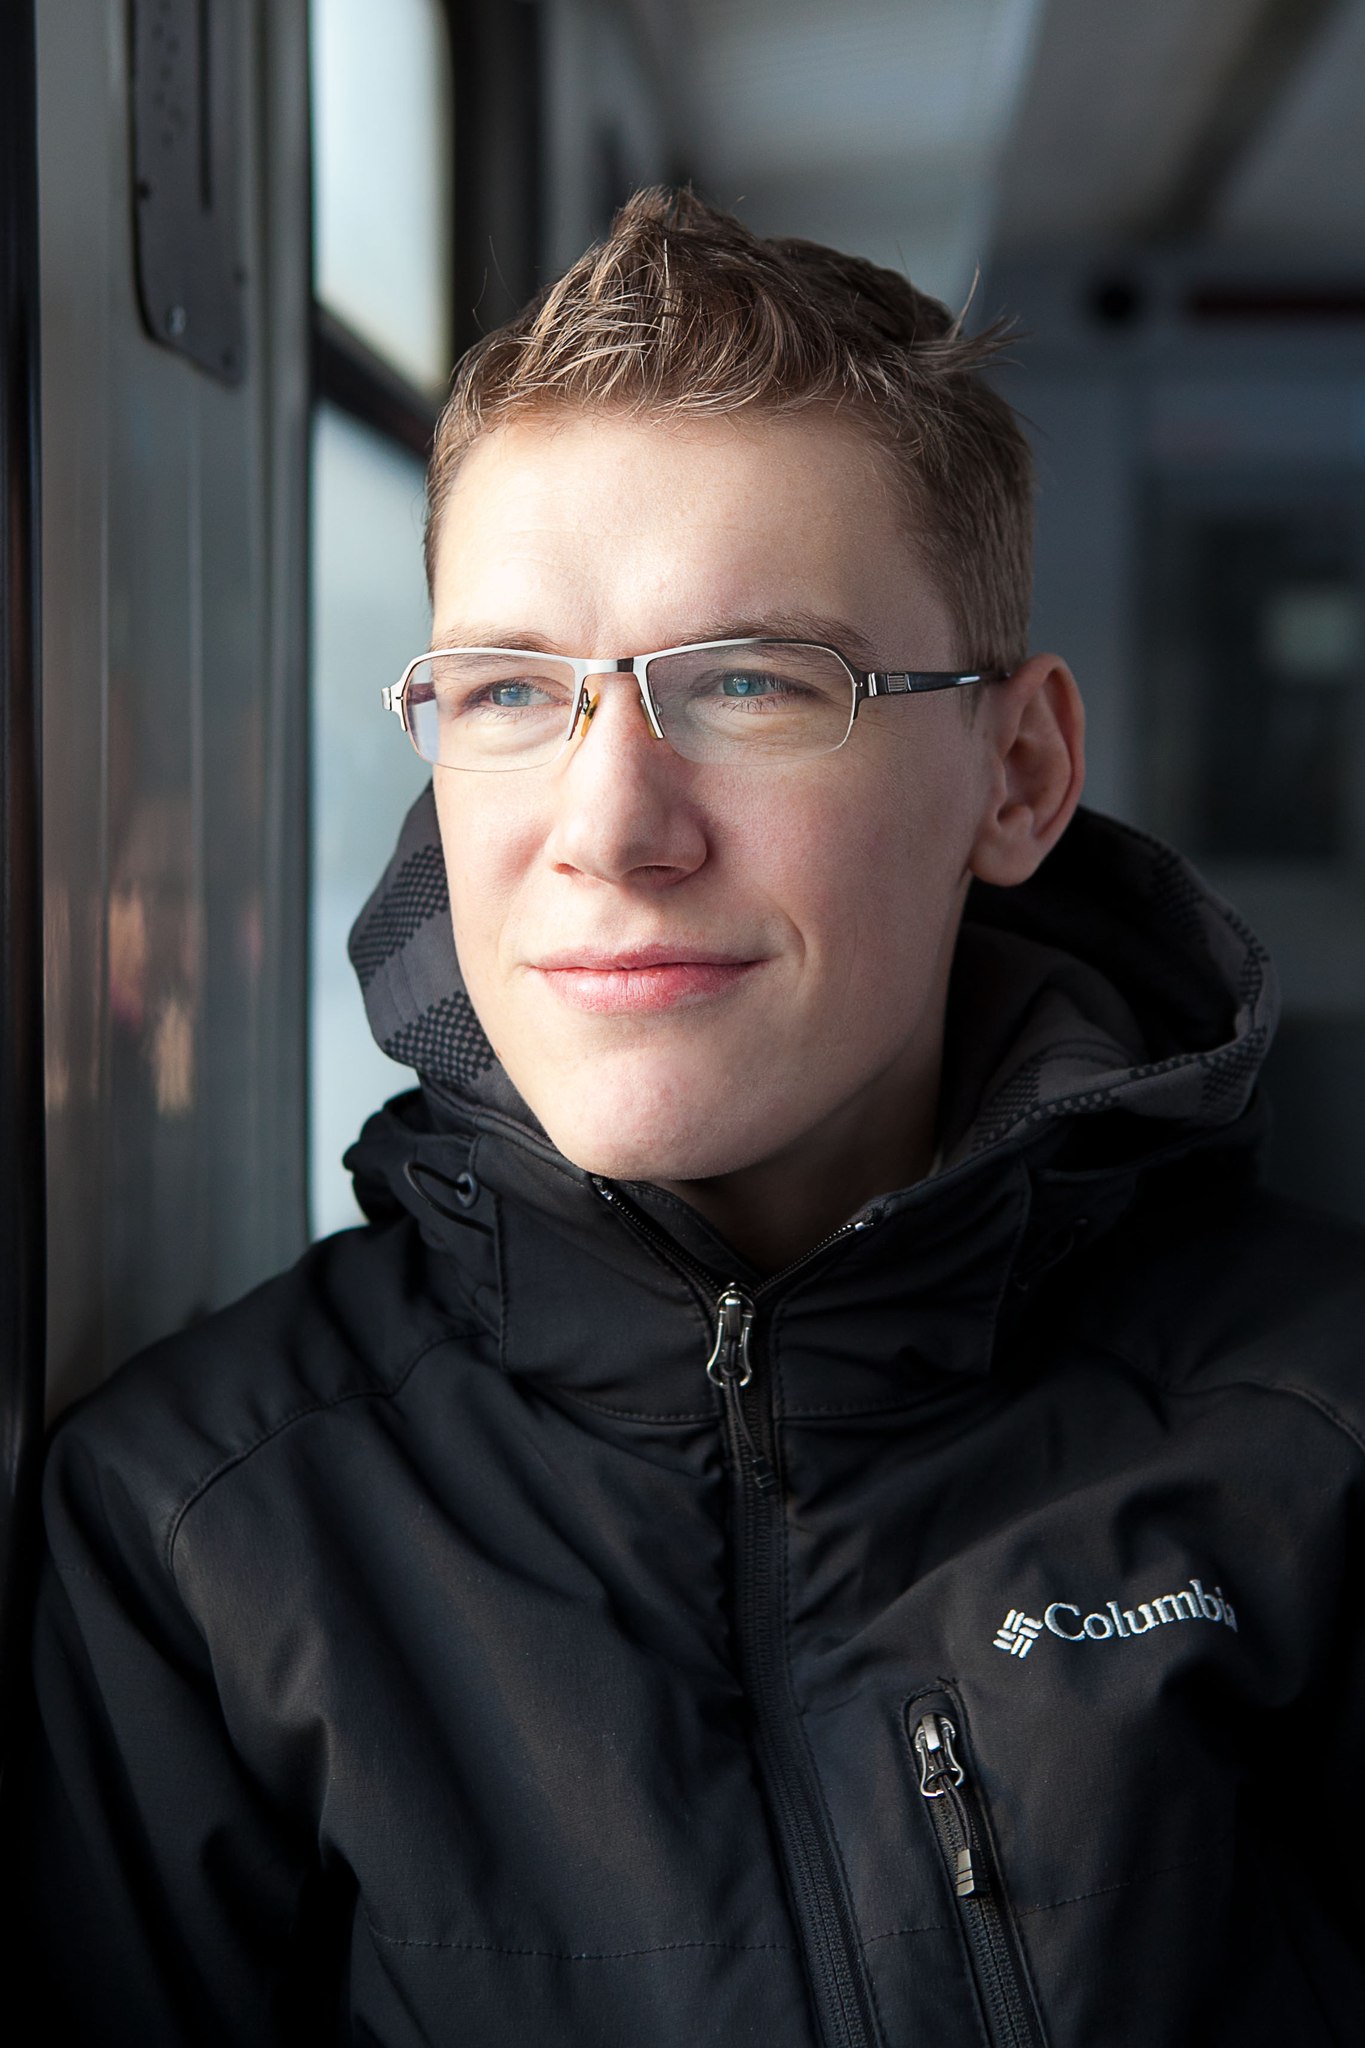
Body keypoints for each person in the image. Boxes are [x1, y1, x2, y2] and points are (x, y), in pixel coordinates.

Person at [11, 186, 1365, 2047]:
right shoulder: (206, 1528)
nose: (608, 829)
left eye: (747, 683)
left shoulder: (1316, 1432)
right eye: (510, 691)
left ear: (1018, 772)